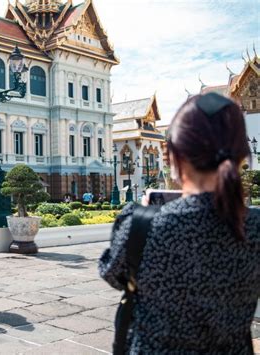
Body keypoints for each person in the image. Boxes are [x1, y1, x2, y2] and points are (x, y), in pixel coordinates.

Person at [99, 92, 260, 353]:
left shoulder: (141, 226)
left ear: (174, 157)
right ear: (242, 156)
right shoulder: (255, 227)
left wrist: (144, 215)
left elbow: (113, 273)